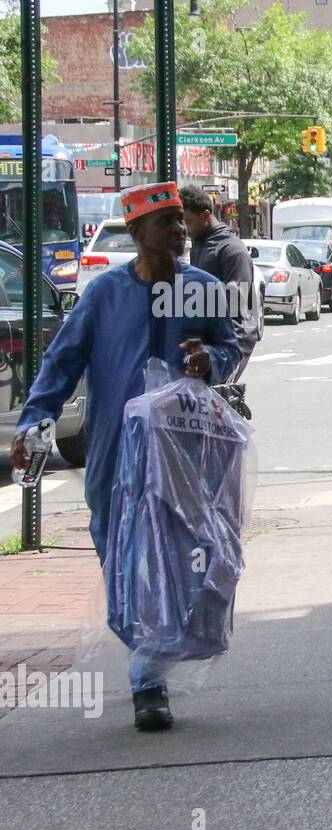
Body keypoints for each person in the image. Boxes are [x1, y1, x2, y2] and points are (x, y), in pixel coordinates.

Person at [8, 181, 242, 729]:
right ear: (138, 233)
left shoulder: (203, 288)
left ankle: (152, 674)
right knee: (119, 555)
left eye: (183, 222)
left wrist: (209, 359)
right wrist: (35, 423)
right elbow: (62, 363)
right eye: (168, 223)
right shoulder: (104, 294)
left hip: (185, 450)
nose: (181, 232)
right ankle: (147, 661)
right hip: (116, 448)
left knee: (188, 549)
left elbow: (230, 347)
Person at [180, 185, 258, 375]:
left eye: (188, 222)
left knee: (216, 400)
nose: (184, 229)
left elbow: (236, 309)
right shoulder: (201, 243)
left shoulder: (231, 250)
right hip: (207, 342)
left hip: (233, 343)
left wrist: (226, 355)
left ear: (205, 215)